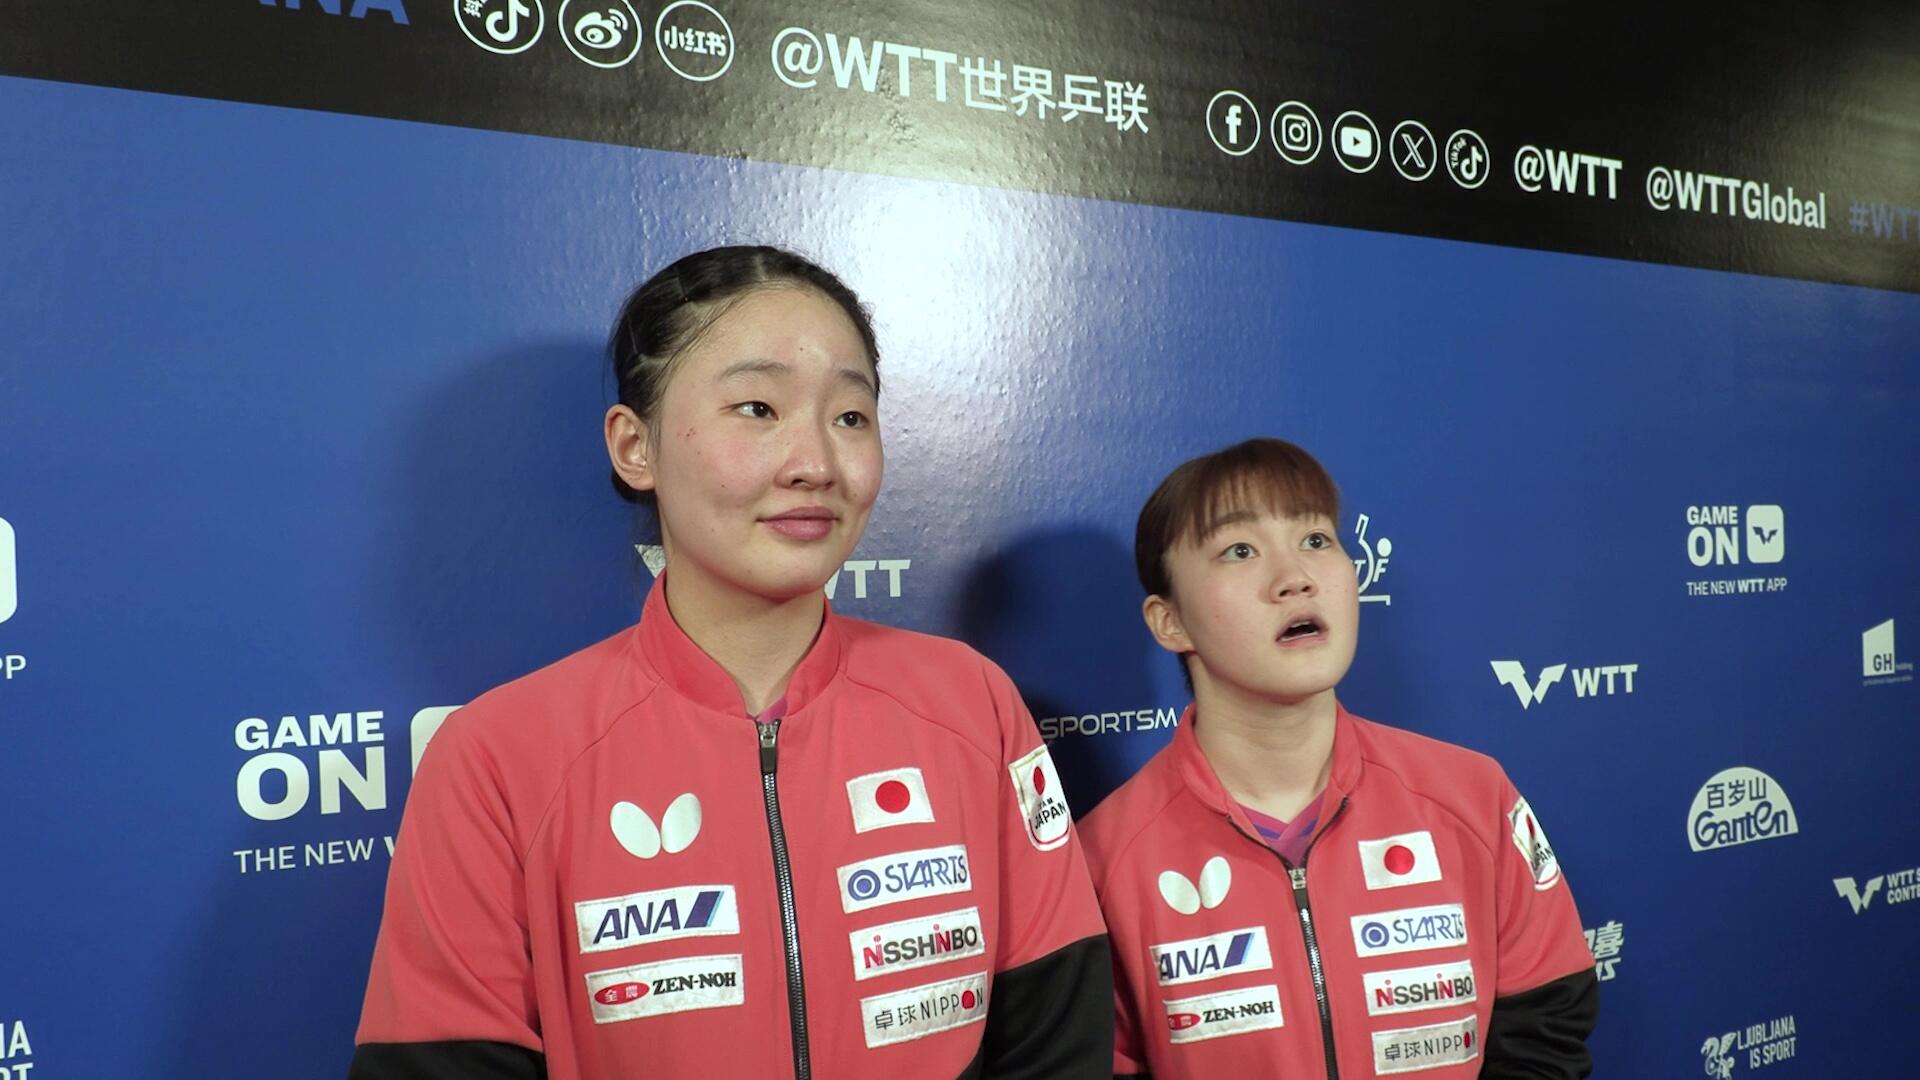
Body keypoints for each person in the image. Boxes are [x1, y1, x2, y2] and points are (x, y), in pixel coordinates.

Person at [349, 245, 1112, 1079]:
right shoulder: (496, 757)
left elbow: (1059, 1048)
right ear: (634, 446)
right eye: (757, 408)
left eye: (850, 417)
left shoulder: (972, 705)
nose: (815, 464)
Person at [1081, 438, 1597, 1078]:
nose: (1295, 576)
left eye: (1316, 540)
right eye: (1240, 550)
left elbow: (1547, 1032)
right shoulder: (1104, 860)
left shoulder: (1473, 798)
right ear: (1170, 622)